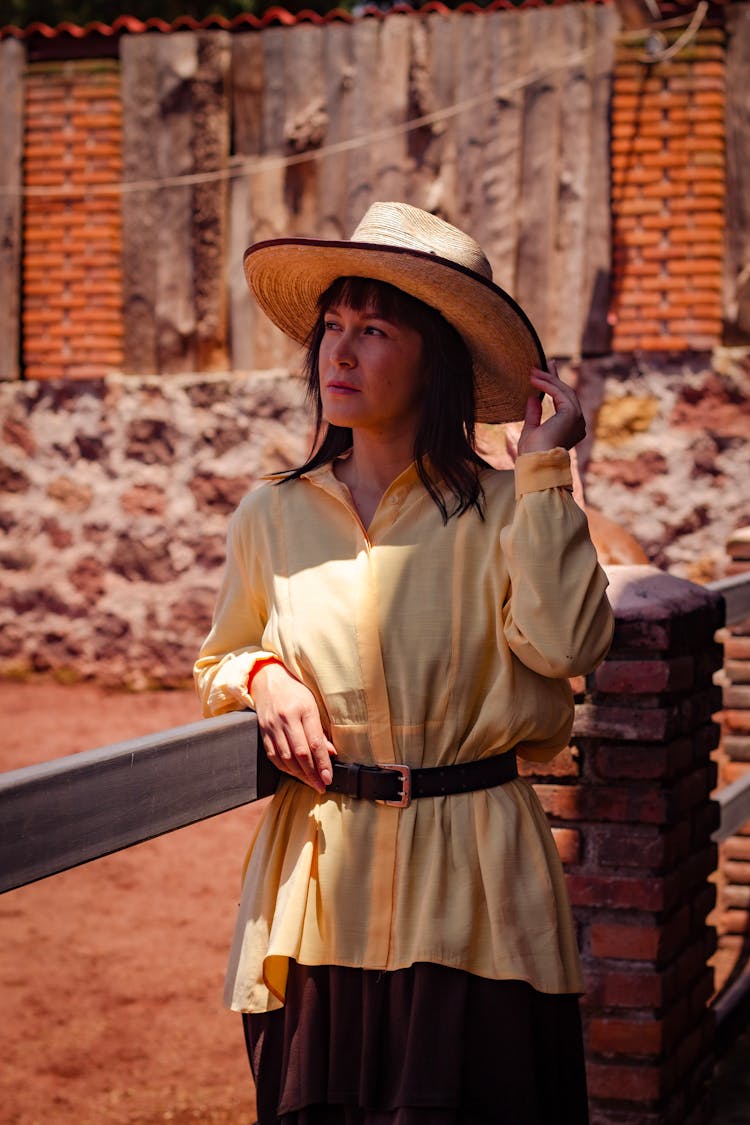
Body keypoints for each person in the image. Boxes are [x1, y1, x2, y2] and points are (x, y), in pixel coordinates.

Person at [194, 201, 614, 1125]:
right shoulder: (271, 514)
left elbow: (570, 644)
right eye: (332, 327)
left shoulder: (510, 509)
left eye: (374, 329)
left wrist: (545, 473)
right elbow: (220, 656)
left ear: (439, 360)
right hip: (317, 891)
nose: (338, 353)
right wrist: (262, 677)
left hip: (478, 888)